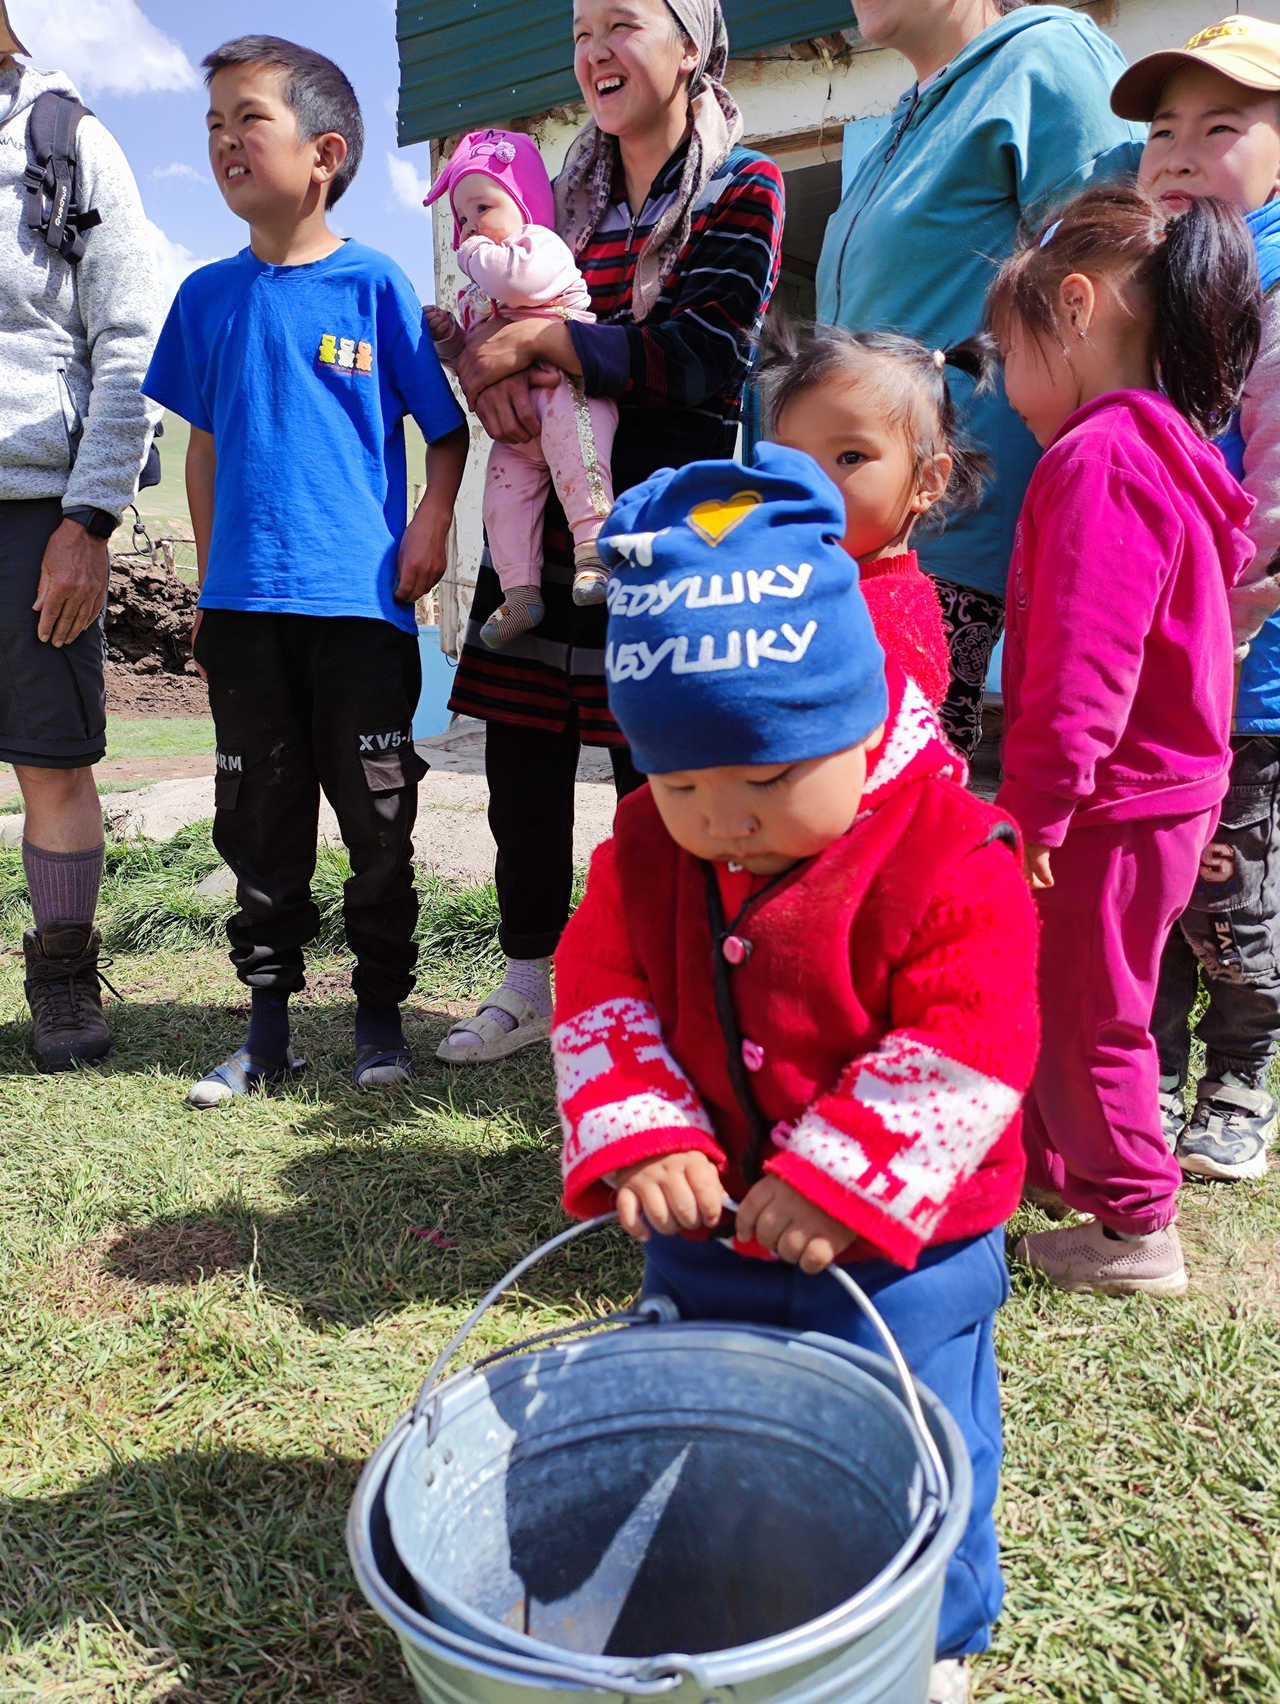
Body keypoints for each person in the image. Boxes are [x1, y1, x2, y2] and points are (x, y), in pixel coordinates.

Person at [553, 445, 1039, 1704]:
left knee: (920, 1437)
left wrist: (839, 1179)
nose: (724, 817)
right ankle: (717, 1579)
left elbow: (970, 1031)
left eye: (767, 777)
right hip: (708, 1229)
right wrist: (647, 1135)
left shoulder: (943, 849)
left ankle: (926, 1629)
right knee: (694, 1417)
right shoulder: (649, 855)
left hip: (904, 1254)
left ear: (856, 713)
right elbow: (599, 987)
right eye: (681, 780)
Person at [434, 0, 784, 1067]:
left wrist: (543, 342)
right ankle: (529, 979)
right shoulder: (548, 192)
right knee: (521, 764)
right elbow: (489, 329)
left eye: (623, 23)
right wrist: (489, 376)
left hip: (666, 521)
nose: (593, 51)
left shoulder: (741, 184)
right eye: (582, 29)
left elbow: (702, 359)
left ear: (690, 46)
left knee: (659, 775)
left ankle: (666, 985)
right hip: (537, 515)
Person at [143, 36, 467, 1105]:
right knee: (257, 824)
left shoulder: (374, 287)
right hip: (244, 609)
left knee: (379, 821)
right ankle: (267, 1033)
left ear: (323, 152)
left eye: (250, 120)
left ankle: (380, 1020)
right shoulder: (205, 298)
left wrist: (430, 523)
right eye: (214, 126)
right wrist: (204, 583)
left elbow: (443, 428)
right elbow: (204, 446)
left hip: (363, 609)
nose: (226, 141)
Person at [989, 184, 1260, 1295]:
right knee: (1072, 994)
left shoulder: (1097, 458)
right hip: (1162, 790)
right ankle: (1064, 1173)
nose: (1002, 392)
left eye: (1005, 354)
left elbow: (1081, 665)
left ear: (1075, 304)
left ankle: (1136, 1229)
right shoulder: (1168, 449)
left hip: (1106, 798)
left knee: (1091, 1013)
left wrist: (1039, 808)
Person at [817, 0, 1143, 758]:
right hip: (866, 536)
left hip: (953, 535)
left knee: (903, 806)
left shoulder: (1046, 59)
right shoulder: (914, 113)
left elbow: (1114, 301)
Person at [1115, 14, 1280, 1184]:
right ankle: (1150, 1070)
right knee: (1150, 875)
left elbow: (1268, 484)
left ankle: (1236, 1078)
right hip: (1138, 651)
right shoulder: (1140, 288)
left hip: (1240, 657)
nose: (1175, 151)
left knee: (1236, 883)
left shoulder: (1267, 289)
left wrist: (1223, 617)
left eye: (1217, 127)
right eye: (1160, 131)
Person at [0, 0, 162, 1070]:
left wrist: (89, 519)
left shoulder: (64, 143)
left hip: (35, 512)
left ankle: (61, 978)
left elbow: (132, 337)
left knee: (52, 763)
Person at [424, 129, 617, 644]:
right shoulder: (478, 289)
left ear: (526, 204)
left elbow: (518, 282)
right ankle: (520, 595)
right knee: (503, 499)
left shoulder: (541, 248)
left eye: (483, 208)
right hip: (517, 433)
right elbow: (471, 359)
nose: (470, 228)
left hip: (567, 394)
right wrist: (449, 340)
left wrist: (471, 255)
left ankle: (594, 554)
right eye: (461, 219)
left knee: (581, 458)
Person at [761, 322, 989, 710]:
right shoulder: (810, 580)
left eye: (850, 457)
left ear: (928, 480)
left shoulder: (886, 619)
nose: (807, 480)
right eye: (790, 459)